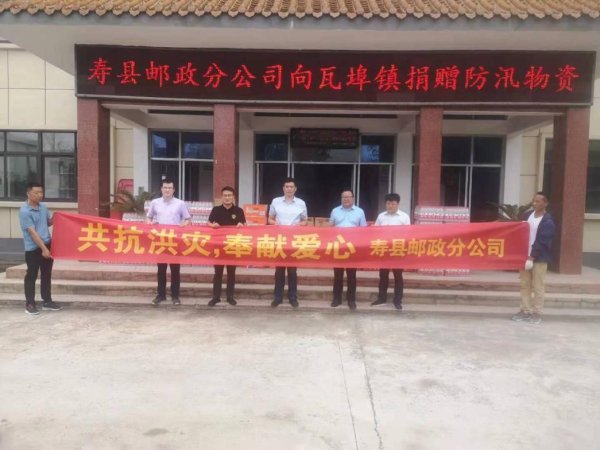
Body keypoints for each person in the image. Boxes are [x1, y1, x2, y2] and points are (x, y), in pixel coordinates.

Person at [512, 191, 555, 324]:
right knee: (524, 285)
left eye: (538, 201)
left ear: (545, 203)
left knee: (538, 286)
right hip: (525, 256)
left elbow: (543, 241)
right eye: (534, 201)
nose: (534, 203)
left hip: (539, 258)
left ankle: (537, 313)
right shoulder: (527, 216)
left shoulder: (548, 221)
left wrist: (532, 256)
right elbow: (520, 233)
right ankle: (525, 310)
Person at [146, 179, 191, 306]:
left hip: (174, 241)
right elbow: (148, 217)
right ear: (161, 189)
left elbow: (188, 219)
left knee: (175, 270)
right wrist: (149, 223)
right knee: (161, 270)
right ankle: (161, 295)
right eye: (165, 187)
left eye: (170, 188)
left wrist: (183, 225)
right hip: (160, 241)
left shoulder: (180, 203)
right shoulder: (155, 203)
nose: (167, 190)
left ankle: (175, 296)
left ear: (174, 190)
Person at [19, 182, 62, 315]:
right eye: (36, 193)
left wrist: (56, 218)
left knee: (46, 274)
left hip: (47, 244)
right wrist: (44, 249)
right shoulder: (24, 211)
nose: (40, 195)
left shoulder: (43, 207)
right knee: (31, 275)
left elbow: (47, 223)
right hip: (33, 248)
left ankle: (47, 301)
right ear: (28, 194)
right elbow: (32, 232)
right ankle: (30, 304)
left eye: (41, 192)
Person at [268, 177, 308, 308]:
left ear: (295, 189)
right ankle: (277, 297)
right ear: (283, 188)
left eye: (291, 187)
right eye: (287, 186)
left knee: (292, 271)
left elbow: (305, 220)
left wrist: (299, 225)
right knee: (279, 270)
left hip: (294, 240)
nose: (289, 189)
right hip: (280, 240)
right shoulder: (276, 201)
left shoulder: (301, 203)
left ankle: (293, 297)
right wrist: (275, 223)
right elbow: (270, 219)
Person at [207, 186, 246, 306]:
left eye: (229, 195)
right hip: (218, 246)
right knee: (218, 273)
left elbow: (245, 224)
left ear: (233, 197)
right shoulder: (216, 210)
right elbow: (208, 223)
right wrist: (212, 226)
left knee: (231, 273)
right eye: (225, 195)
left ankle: (230, 297)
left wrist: (241, 225)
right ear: (222, 197)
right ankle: (216, 297)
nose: (227, 198)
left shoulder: (239, 210)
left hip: (233, 246)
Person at [329, 189, 367, 310]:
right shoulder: (335, 211)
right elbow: (330, 228)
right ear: (341, 199)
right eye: (343, 197)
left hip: (352, 247)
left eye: (348, 197)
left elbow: (364, 230)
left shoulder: (360, 212)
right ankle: (337, 298)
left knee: (351, 275)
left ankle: (351, 300)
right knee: (338, 274)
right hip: (338, 247)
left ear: (353, 198)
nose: (346, 199)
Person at [372, 193, 410, 310]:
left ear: (398, 204)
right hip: (384, 249)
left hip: (397, 249)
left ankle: (397, 300)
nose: (390, 206)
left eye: (393, 204)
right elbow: (375, 232)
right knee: (383, 275)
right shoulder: (381, 216)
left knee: (398, 275)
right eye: (388, 203)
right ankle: (381, 298)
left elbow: (408, 234)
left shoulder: (404, 217)